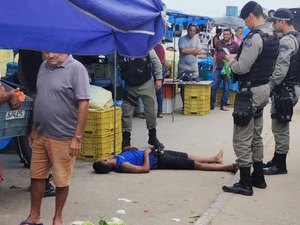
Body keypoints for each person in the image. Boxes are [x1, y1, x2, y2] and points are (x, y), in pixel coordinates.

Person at [20, 52, 90, 225]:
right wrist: (34, 129)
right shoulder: (43, 67)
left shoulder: (76, 69)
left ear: (65, 48)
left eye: (54, 51)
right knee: (36, 176)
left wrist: (77, 138)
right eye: (45, 51)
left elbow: (84, 104)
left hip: (64, 136)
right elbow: (41, 100)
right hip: (41, 134)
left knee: (61, 179)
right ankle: (34, 216)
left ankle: (57, 218)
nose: (49, 55)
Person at [221, 1, 279, 196]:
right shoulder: (272, 35)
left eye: (246, 20)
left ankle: (245, 182)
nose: (246, 25)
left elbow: (243, 67)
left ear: (252, 16)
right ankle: (259, 177)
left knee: (241, 137)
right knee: (255, 135)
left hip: (250, 92)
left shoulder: (254, 37)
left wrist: (231, 61)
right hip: (263, 90)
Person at [263, 8, 300, 175]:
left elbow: (280, 70)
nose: (273, 24)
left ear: (283, 22)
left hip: (285, 89)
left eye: (275, 21)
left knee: (280, 127)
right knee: (280, 124)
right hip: (291, 88)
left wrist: (268, 87)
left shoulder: (286, 41)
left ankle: (280, 164)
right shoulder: (296, 37)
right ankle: (277, 160)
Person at [17, 49, 56, 197]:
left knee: (35, 139)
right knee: (41, 141)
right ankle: (43, 183)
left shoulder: (25, 46)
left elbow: (21, 71)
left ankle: (40, 181)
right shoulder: (41, 50)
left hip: (32, 91)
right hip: (38, 94)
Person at [118, 49, 164, 150]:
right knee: (126, 112)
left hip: (146, 82)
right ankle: (126, 141)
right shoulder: (120, 46)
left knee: (151, 111)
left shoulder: (144, 42)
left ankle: (152, 136)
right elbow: (113, 64)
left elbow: (156, 61)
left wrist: (159, 78)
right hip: (130, 85)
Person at [92, 147, 238, 174]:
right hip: (158, 161)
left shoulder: (116, 158)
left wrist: (128, 149)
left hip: (157, 154)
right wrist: (146, 153)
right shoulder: (122, 166)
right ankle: (225, 168)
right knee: (192, 165)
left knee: (187, 156)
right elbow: (144, 169)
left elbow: (130, 156)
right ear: (104, 161)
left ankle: (214, 159)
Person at [210, 29, 239, 111]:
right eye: (224, 34)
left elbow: (239, 55)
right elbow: (215, 54)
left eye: (227, 34)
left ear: (231, 35)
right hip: (218, 67)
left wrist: (232, 56)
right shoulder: (219, 43)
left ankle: (223, 105)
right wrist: (214, 66)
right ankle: (211, 105)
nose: (225, 36)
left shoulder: (235, 45)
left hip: (228, 69)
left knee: (226, 87)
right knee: (214, 86)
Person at [178, 24, 202, 107]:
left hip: (194, 68)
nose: (192, 32)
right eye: (191, 30)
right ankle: (185, 105)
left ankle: (191, 105)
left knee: (193, 87)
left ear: (195, 32)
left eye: (194, 31)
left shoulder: (197, 39)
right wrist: (193, 49)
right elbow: (183, 51)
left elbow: (199, 52)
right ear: (188, 30)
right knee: (183, 87)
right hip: (182, 67)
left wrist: (189, 50)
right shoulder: (182, 39)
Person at [154, 42, 166, 118]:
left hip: (154, 67)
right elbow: (164, 59)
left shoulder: (150, 46)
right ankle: (160, 112)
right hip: (162, 67)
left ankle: (149, 112)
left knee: (149, 91)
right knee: (159, 91)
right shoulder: (160, 47)